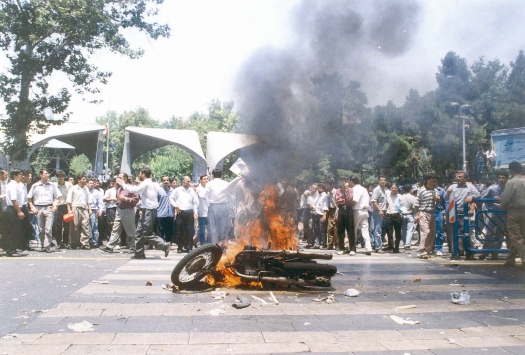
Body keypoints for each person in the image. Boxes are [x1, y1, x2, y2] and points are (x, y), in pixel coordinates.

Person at [116, 168, 170, 259]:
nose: (138, 175)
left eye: (140, 173)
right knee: (139, 233)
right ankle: (139, 254)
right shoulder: (152, 183)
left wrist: (123, 184)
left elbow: (135, 190)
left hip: (149, 210)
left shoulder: (146, 183)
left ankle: (164, 245)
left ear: (144, 174)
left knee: (147, 233)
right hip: (147, 209)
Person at [467, 170, 508, 260]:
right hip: (491, 212)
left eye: (503, 178)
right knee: (489, 233)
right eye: (499, 178)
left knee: (500, 234)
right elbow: (481, 197)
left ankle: (495, 252)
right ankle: (485, 252)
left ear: (506, 179)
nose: (501, 180)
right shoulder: (492, 188)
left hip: (503, 213)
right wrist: (491, 199)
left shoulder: (508, 188)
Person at [100, 173, 139, 253]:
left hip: (127, 210)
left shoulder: (131, 188)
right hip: (119, 209)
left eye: (120, 177)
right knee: (115, 229)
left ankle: (135, 246)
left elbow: (136, 200)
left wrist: (126, 199)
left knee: (130, 229)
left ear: (125, 179)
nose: (117, 179)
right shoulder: (119, 188)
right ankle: (110, 246)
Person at [445, 170, 480, 258]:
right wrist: (448, 193)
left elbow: (478, 195)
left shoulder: (470, 187)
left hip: (463, 213)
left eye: (460, 177)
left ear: (465, 178)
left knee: (466, 233)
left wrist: (472, 197)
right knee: (452, 233)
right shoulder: (452, 187)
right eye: (457, 176)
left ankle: (468, 252)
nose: (458, 178)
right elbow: (445, 198)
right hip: (452, 212)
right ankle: (455, 252)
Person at [27, 169, 62, 252]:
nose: (48, 175)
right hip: (38, 208)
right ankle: (43, 244)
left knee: (48, 228)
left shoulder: (52, 185)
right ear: (41, 175)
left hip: (49, 208)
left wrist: (55, 205)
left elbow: (59, 196)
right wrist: (32, 207)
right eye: (46, 173)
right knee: (41, 229)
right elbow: (29, 198)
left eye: (48, 173)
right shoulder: (35, 186)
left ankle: (47, 245)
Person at [499, 161, 525, 270]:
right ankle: (510, 259)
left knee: (515, 237)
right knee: (521, 235)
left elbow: (505, 199)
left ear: (511, 171)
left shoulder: (511, 182)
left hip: (514, 212)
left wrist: (501, 205)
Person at [205, 169, 242, 244]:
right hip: (224, 207)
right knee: (224, 227)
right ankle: (223, 245)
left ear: (213, 175)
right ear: (221, 175)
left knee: (213, 227)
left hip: (213, 206)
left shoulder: (209, 184)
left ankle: (214, 245)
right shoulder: (225, 183)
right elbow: (231, 190)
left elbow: (205, 195)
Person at [414, 172, 440, 259]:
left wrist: (437, 200)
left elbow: (437, 203)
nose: (434, 181)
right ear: (427, 180)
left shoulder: (435, 191)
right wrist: (417, 215)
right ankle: (422, 251)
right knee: (426, 232)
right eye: (432, 179)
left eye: (435, 179)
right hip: (423, 212)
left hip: (432, 213)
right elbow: (416, 204)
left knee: (432, 233)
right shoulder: (421, 190)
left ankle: (427, 251)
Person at [170, 176, 198, 253]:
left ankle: (188, 247)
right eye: (187, 181)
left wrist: (195, 212)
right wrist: (175, 206)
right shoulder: (178, 190)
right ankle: (180, 247)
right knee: (180, 230)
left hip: (189, 212)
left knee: (189, 230)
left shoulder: (192, 191)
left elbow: (195, 202)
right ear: (183, 182)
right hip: (180, 212)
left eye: (190, 181)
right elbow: (171, 198)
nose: (189, 183)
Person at [348, 176, 372, 255]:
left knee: (353, 230)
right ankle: (368, 248)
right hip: (365, 211)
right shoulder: (364, 189)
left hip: (357, 210)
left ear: (351, 181)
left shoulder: (354, 189)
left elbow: (355, 201)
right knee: (365, 230)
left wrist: (349, 204)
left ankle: (352, 247)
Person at [67, 174, 91, 250]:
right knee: (74, 226)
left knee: (85, 226)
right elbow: (69, 201)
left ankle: (85, 243)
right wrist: (69, 210)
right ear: (79, 180)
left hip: (84, 208)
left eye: (85, 179)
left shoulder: (86, 189)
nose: (85, 181)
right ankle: (74, 243)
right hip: (75, 208)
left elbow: (88, 200)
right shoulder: (73, 188)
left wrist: (89, 209)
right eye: (83, 179)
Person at [3, 169, 24, 256]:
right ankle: (10, 250)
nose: (22, 176)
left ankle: (13, 248)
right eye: (20, 174)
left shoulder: (17, 185)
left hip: (14, 208)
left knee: (16, 230)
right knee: (12, 230)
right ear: (15, 176)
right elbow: (14, 199)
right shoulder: (13, 185)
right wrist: (19, 211)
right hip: (12, 209)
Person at [53, 170, 72, 249]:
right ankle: (58, 242)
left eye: (62, 176)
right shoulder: (54, 185)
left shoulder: (69, 185)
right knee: (58, 225)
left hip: (66, 206)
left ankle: (65, 242)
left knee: (67, 225)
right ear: (57, 177)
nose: (61, 178)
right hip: (58, 206)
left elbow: (70, 196)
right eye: (59, 176)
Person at [335, 177, 354, 254]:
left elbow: (349, 199)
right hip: (341, 209)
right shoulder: (338, 190)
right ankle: (342, 248)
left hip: (349, 209)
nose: (343, 182)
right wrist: (343, 200)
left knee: (350, 229)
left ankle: (352, 249)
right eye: (342, 180)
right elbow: (338, 200)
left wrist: (346, 190)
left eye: (345, 181)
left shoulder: (350, 190)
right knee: (341, 230)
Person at [370, 176, 388, 253]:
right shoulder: (377, 190)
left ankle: (377, 245)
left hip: (383, 211)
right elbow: (373, 201)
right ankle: (378, 247)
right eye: (381, 180)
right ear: (378, 181)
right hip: (378, 212)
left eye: (384, 180)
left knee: (381, 229)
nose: (383, 181)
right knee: (377, 229)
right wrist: (380, 210)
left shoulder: (384, 190)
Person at [384, 182, 402, 253]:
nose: (394, 189)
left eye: (395, 188)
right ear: (390, 189)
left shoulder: (400, 197)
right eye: (392, 188)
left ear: (397, 189)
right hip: (389, 215)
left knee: (398, 232)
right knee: (389, 232)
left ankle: (396, 247)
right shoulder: (387, 196)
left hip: (397, 215)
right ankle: (391, 246)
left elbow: (403, 206)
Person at [157, 175, 174, 245]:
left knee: (169, 230)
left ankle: (168, 244)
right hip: (161, 213)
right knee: (161, 230)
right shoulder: (159, 190)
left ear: (169, 181)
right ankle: (161, 245)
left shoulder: (173, 191)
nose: (166, 182)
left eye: (167, 180)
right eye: (164, 180)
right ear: (162, 181)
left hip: (170, 214)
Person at [87, 178, 104, 247]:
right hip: (85, 209)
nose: (91, 185)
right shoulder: (85, 191)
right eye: (90, 183)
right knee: (85, 227)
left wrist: (100, 210)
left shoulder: (97, 192)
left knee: (94, 226)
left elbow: (100, 203)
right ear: (87, 183)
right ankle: (87, 241)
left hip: (94, 210)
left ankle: (95, 242)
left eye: (92, 183)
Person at [399, 184, 417, 250]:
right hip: (410, 214)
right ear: (410, 189)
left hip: (403, 214)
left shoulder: (401, 197)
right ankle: (407, 244)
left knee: (403, 230)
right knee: (409, 230)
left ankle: (404, 243)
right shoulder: (412, 197)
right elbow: (414, 207)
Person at [311, 183, 328, 249]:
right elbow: (316, 205)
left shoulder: (325, 196)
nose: (318, 189)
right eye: (318, 188)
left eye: (320, 188)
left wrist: (324, 216)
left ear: (323, 189)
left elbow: (326, 207)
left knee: (323, 231)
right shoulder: (319, 196)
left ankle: (324, 244)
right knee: (316, 230)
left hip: (321, 215)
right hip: (316, 215)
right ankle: (317, 244)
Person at [196, 174, 210, 245]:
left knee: (210, 229)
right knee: (202, 229)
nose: (206, 180)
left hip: (209, 212)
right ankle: (202, 243)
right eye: (204, 179)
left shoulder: (209, 188)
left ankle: (208, 243)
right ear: (200, 181)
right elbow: (201, 196)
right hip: (201, 212)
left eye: (207, 179)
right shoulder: (198, 189)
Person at [103, 178, 118, 244]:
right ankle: (111, 239)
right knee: (112, 224)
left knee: (118, 225)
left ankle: (118, 241)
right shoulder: (109, 191)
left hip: (119, 208)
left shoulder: (120, 190)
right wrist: (113, 199)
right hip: (111, 208)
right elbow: (104, 199)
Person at [324, 180, 338, 250]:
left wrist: (337, 214)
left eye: (327, 185)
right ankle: (330, 245)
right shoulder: (328, 194)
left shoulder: (336, 192)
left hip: (336, 210)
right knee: (330, 228)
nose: (326, 187)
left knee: (336, 228)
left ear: (332, 185)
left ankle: (337, 245)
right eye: (326, 185)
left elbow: (337, 204)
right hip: (331, 211)